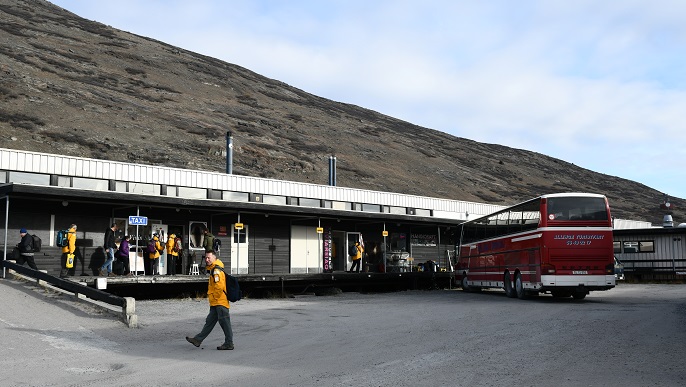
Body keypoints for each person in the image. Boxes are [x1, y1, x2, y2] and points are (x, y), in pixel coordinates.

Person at [186, 250, 234, 350]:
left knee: (225, 323)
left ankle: (229, 343)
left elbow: (219, 287)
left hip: (220, 302)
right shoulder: (214, 269)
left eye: (209, 258)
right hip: (215, 302)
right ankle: (197, 340)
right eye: (206, 258)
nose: (207, 260)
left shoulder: (216, 270)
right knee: (209, 322)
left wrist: (215, 297)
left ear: (214, 258)